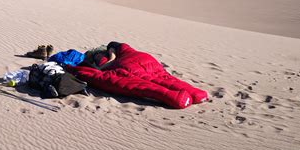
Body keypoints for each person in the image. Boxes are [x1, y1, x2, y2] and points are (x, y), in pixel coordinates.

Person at [69, 41, 208, 109]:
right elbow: (115, 45)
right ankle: (197, 93)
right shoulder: (120, 47)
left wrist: (92, 68)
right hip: (146, 59)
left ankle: (176, 98)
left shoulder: (100, 56)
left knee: (145, 84)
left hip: (128, 65)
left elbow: (99, 74)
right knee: (165, 77)